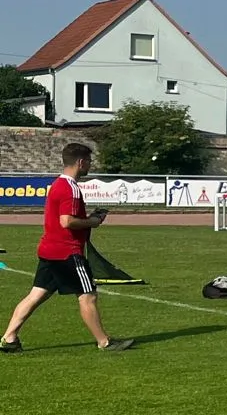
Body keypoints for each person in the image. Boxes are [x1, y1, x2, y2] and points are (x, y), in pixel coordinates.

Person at [1, 143, 133, 354]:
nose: (90, 165)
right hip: (66, 253)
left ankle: (9, 338)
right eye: (89, 161)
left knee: (36, 295)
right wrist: (92, 221)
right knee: (88, 295)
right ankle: (104, 342)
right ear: (80, 162)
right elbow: (67, 221)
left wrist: (88, 219)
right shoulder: (70, 188)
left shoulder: (58, 184)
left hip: (50, 250)